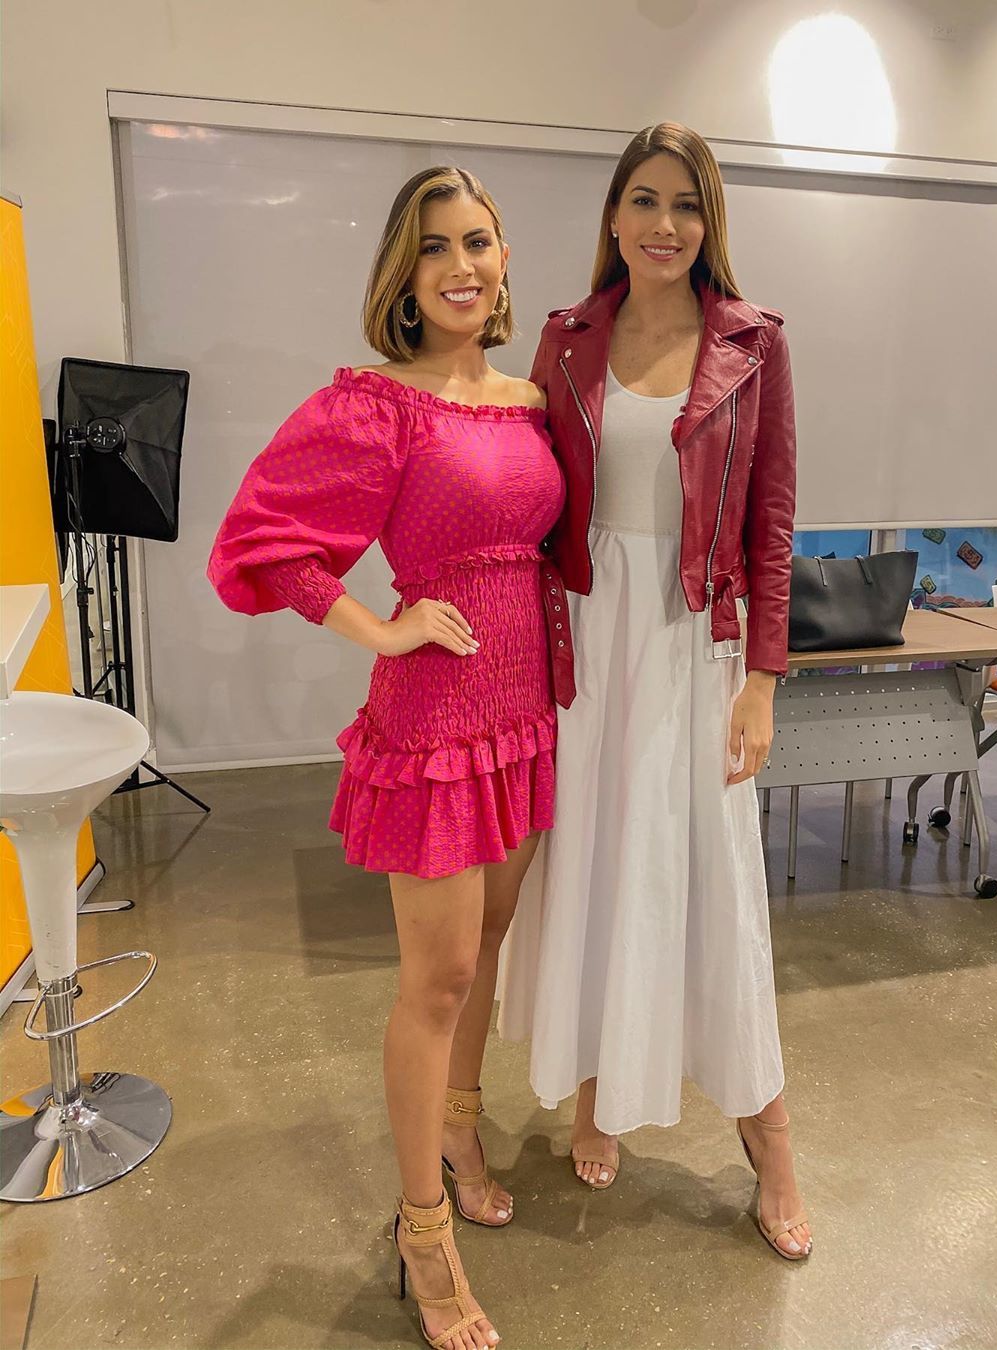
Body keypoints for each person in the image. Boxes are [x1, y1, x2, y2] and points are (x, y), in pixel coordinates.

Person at [210, 165, 575, 1348]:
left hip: (526, 710)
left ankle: (461, 1126)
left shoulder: (532, 399)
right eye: (435, 248)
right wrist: (381, 626)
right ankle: (424, 1234)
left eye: (478, 241)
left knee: (491, 944)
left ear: (504, 256)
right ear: (403, 276)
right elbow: (264, 541)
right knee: (438, 981)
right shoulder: (377, 404)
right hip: (435, 721)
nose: (462, 265)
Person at [499, 123, 812, 1260]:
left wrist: (762, 681)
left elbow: (772, 522)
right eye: (644, 199)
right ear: (614, 214)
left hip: (695, 643)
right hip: (586, 640)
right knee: (593, 867)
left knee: (714, 887)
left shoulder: (754, 344)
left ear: (708, 219)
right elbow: (529, 496)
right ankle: (597, 1094)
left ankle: (771, 1141)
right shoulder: (567, 336)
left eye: (685, 203)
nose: (664, 224)